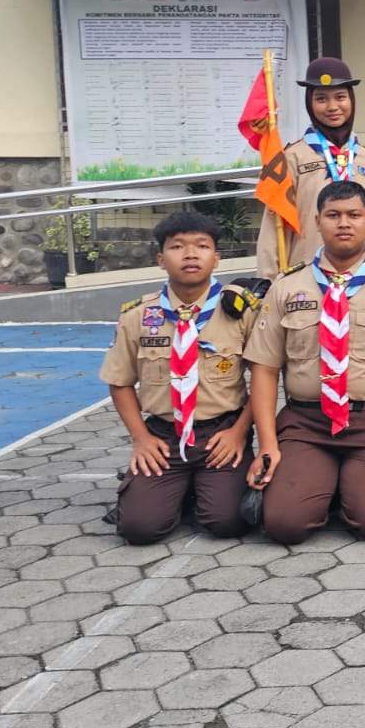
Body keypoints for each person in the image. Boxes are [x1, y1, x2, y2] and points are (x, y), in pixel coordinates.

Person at [244, 181, 365, 543]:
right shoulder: (289, 285)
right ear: (317, 221)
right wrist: (267, 444)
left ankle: (348, 485)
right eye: (333, 215)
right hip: (306, 423)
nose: (343, 223)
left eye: (353, 215)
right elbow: (265, 370)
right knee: (285, 524)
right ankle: (321, 483)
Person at [101, 211, 263, 544]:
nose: (190, 254)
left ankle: (192, 492)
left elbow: (264, 378)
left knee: (227, 522)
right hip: (164, 437)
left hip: (221, 434)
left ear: (216, 258)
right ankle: (166, 492)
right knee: (139, 529)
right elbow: (119, 381)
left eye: (202, 246)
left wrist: (239, 432)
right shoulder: (138, 316)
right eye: (177, 247)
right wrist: (141, 439)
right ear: (161, 259)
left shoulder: (241, 311)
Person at [257, 56, 365, 279]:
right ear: (309, 104)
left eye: (340, 97)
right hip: (307, 278)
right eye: (321, 99)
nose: (332, 107)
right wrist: (268, 280)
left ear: (351, 100)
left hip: (362, 277)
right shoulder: (291, 158)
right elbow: (273, 226)